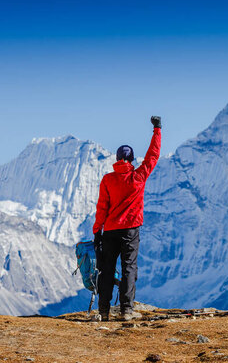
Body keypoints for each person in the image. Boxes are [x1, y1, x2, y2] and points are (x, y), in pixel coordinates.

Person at [93, 115, 162, 321]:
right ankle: (126, 310)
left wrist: (97, 230)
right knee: (128, 268)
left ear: (116, 160)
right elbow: (153, 156)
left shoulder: (108, 179)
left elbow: (102, 207)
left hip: (110, 230)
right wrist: (157, 130)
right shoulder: (138, 176)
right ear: (131, 160)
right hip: (131, 230)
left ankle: (103, 311)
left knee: (106, 270)